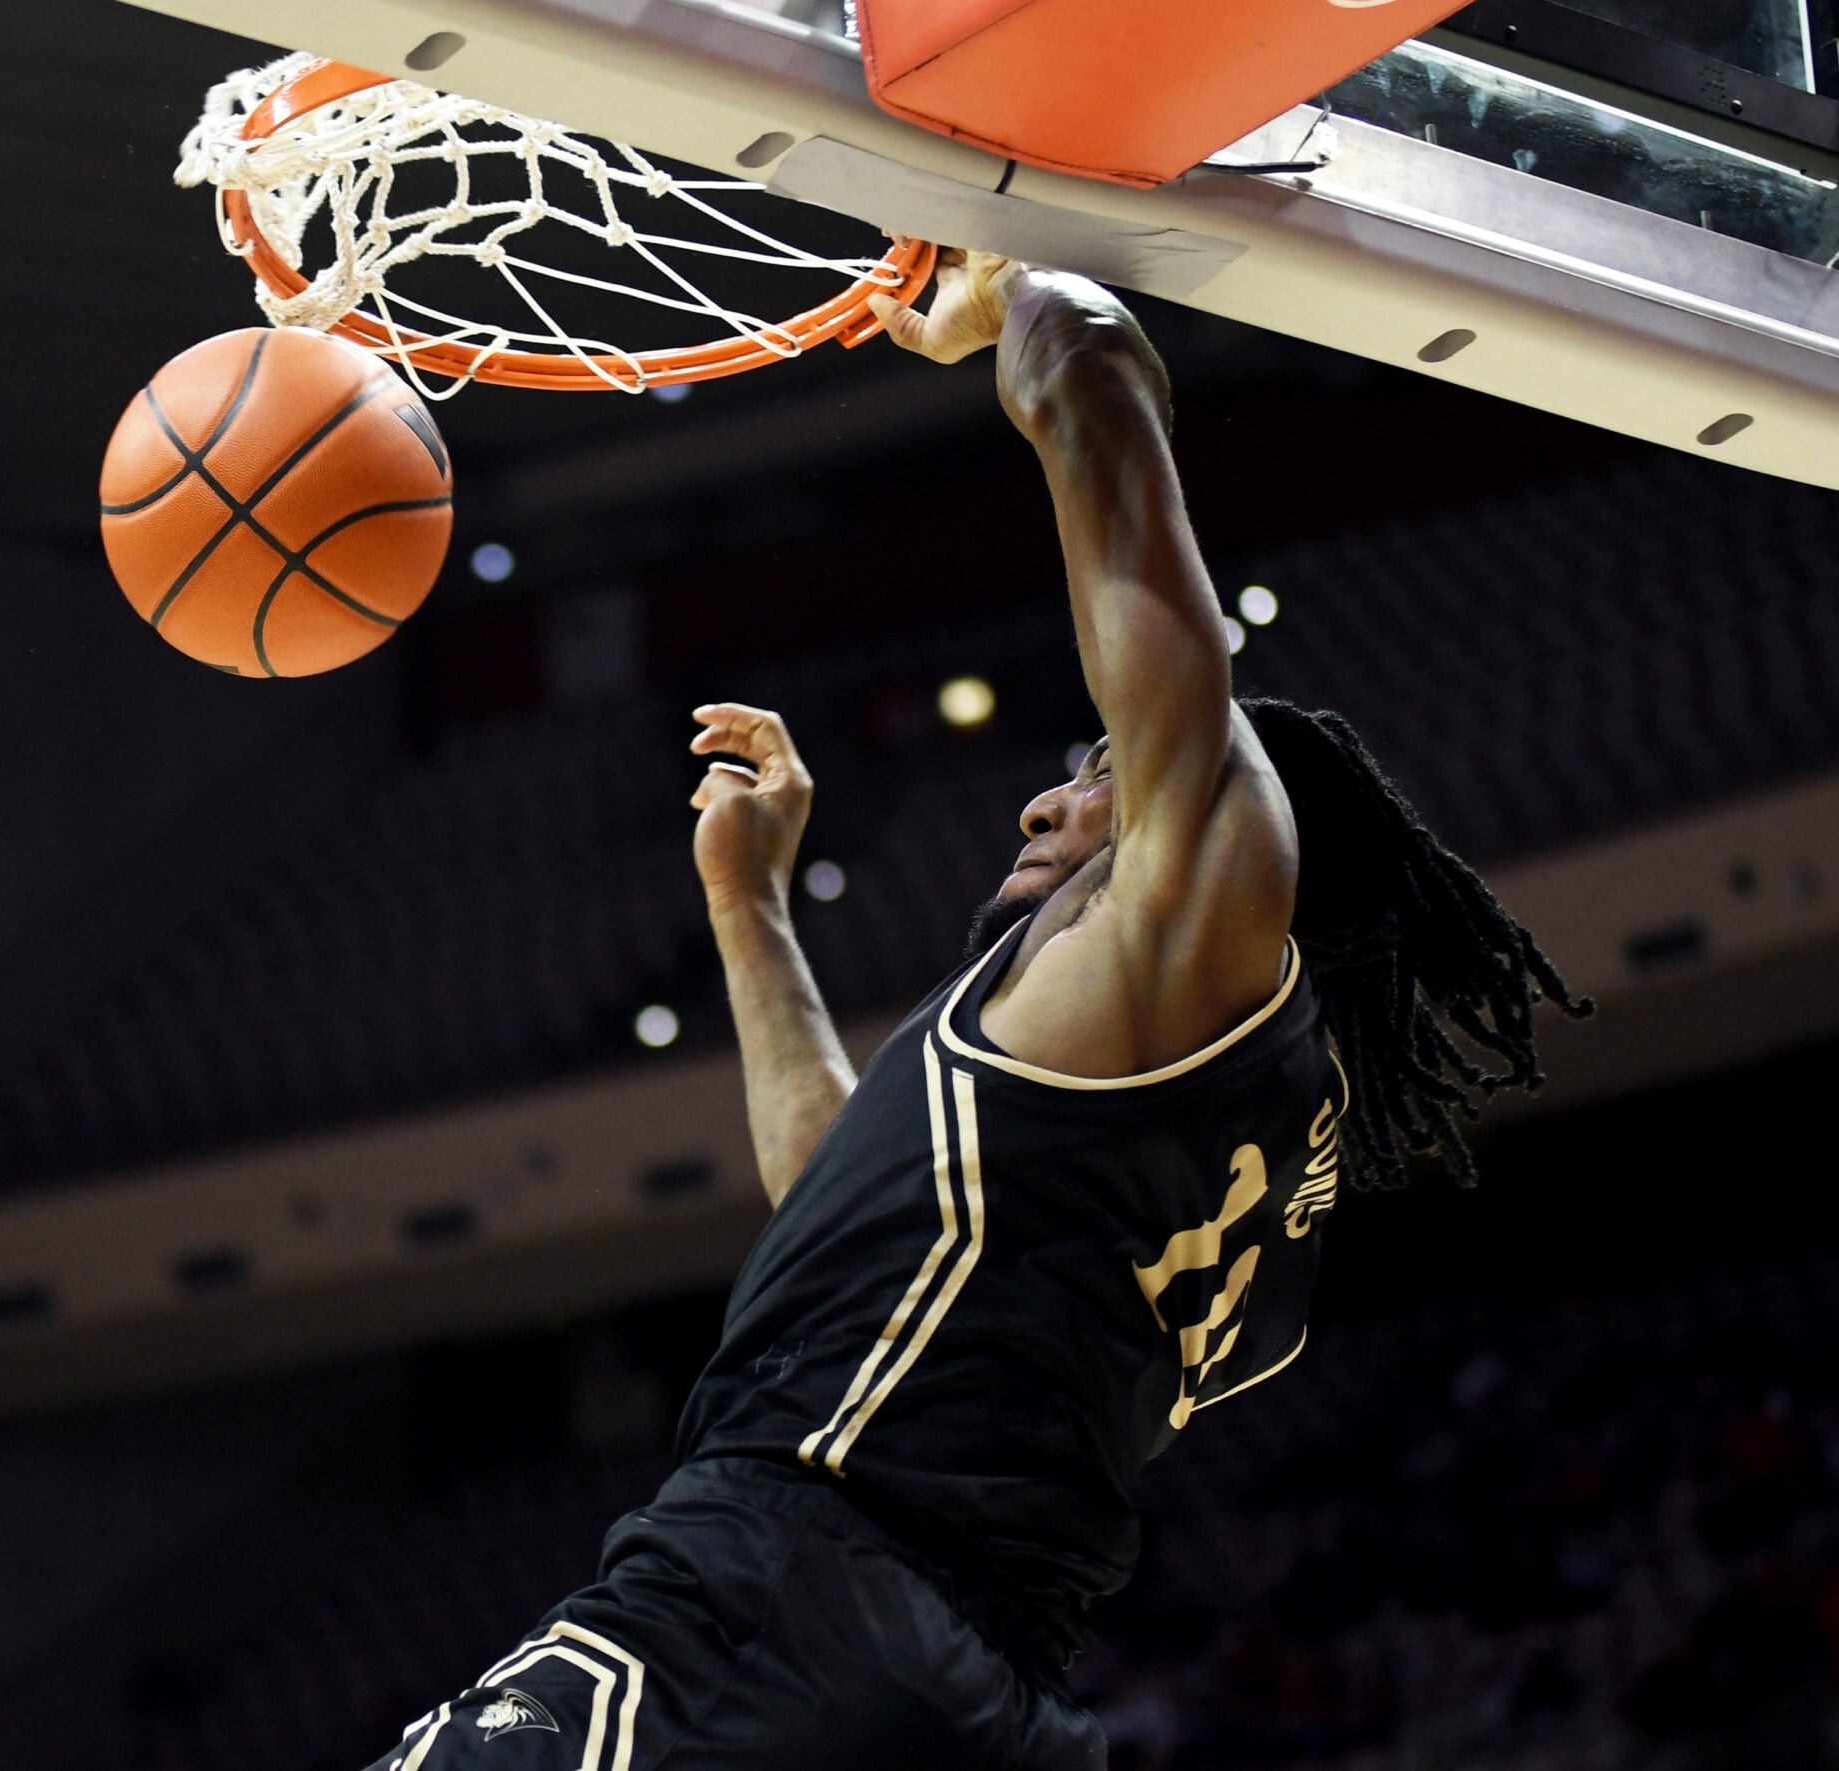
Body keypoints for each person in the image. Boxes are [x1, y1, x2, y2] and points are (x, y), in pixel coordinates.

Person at [362, 254, 1585, 1770]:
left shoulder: (1193, 925)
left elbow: (1121, 459)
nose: (1050, 796)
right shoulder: (1226, 1155)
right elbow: (842, 1214)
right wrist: (751, 911)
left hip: (780, 1593)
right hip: (967, 1687)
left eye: (1097, 772)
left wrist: (1030, 294)